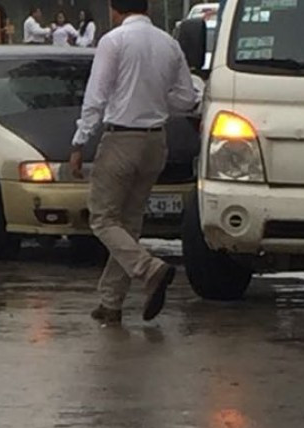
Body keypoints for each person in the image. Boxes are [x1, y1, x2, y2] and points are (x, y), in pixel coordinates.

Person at [68, 0, 198, 323]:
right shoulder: (169, 44)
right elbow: (186, 98)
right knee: (129, 223)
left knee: (102, 219)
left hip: (122, 138)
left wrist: (80, 140)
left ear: (114, 10)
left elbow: (95, 96)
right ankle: (111, 302)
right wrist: (153, 95)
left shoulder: (113, 41)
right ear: (148, 9)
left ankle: (148, 268)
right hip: (156, 141)